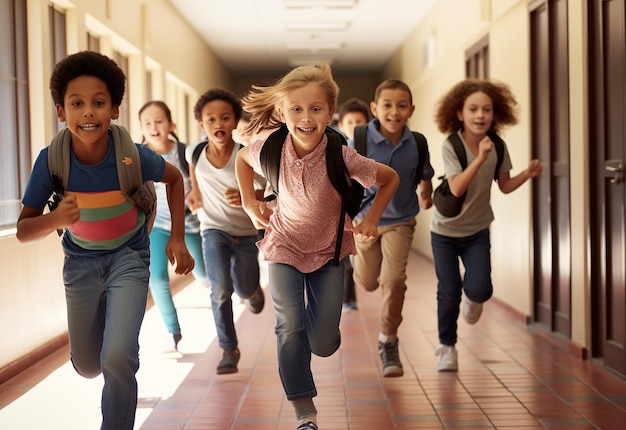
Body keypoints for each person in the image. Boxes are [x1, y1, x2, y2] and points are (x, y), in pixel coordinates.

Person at [16, 51, 194, 430]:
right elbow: (23, 230)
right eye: (76, 104)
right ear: (61, 112)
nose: (88, 113)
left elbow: (175, 179)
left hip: (129, 257)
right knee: (89, 365)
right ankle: (115, 352)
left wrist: (176, 237)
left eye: (98, 103)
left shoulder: (131, 156)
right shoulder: (52, 161)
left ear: (114, 109)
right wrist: (56, 219)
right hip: (79, 264)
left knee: (117, 357)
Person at [235, 63, 399, 430]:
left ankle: (317, 336)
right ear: (281, 112)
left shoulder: (342, 155)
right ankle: (304, 412)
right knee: (288, 324)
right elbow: (242, 159)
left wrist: (372, 218)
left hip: (329, 250)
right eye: (296, 109)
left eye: (315, 109)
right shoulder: (271, 148)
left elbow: (390, 179)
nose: (306, 118)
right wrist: (250, 201)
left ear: (330, 112)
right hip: (283, 245)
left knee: (324, 343)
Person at [430, 78, 542, 372]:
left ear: (496, 114)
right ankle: (447, 347)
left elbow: (504, 186)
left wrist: (527, 174)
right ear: (459, 114)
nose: (480, 115)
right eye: (473, 109)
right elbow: (455, 188)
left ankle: (473, 299)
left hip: (478, 229)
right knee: (449, 289)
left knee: (480, 290)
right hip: (445, 231)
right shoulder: (452, 144)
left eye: (487, 110)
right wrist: (479, 157)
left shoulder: (498, 145)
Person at [349, 79, 435, 378]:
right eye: (387, 105)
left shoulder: (417, 143)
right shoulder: (359, 139)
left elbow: (424, 173)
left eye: (401, 106)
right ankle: (357, 262)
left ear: (411, 109)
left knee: (394, 280)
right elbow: (344, 179)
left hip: (400, 221)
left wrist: (426, 192)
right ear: (375, 108)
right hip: (363, 222)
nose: (394, 112)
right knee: (369, 283)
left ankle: (388, 339)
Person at [186, 87, 266, 375]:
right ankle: (228, 348)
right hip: (213, 229)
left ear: (234, 122)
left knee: (243, 287)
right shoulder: (193, 152)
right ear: (201, 124)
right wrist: (193, 198)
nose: (218, 124)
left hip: (245, 231)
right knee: (219, 289)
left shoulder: (248, 155)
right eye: (211, 119)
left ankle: (253, 292)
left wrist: (247, 193)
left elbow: (266, 189)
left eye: (224, 118)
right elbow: (196, 189)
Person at [138, 100, 210, 352]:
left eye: (159, 121)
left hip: (187, 224)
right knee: (156, 278)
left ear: (171, 124)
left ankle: (207, 280)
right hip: (156, 227)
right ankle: (173, 331)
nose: (154, 127)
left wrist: (195, 197)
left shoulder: (186, 152)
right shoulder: (138, 155)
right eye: (147, 123)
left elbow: (199, 183)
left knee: (203, 275)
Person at [336, 97, 371, 312]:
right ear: (341, 125)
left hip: (369, 210)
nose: (355, 126)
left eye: (359, 122)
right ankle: (347, 298)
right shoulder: (338, 149)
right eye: (350, 122)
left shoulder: (372, 147)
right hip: (347, 211)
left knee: (357, 257)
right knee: (345, 257)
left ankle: (350, 297)